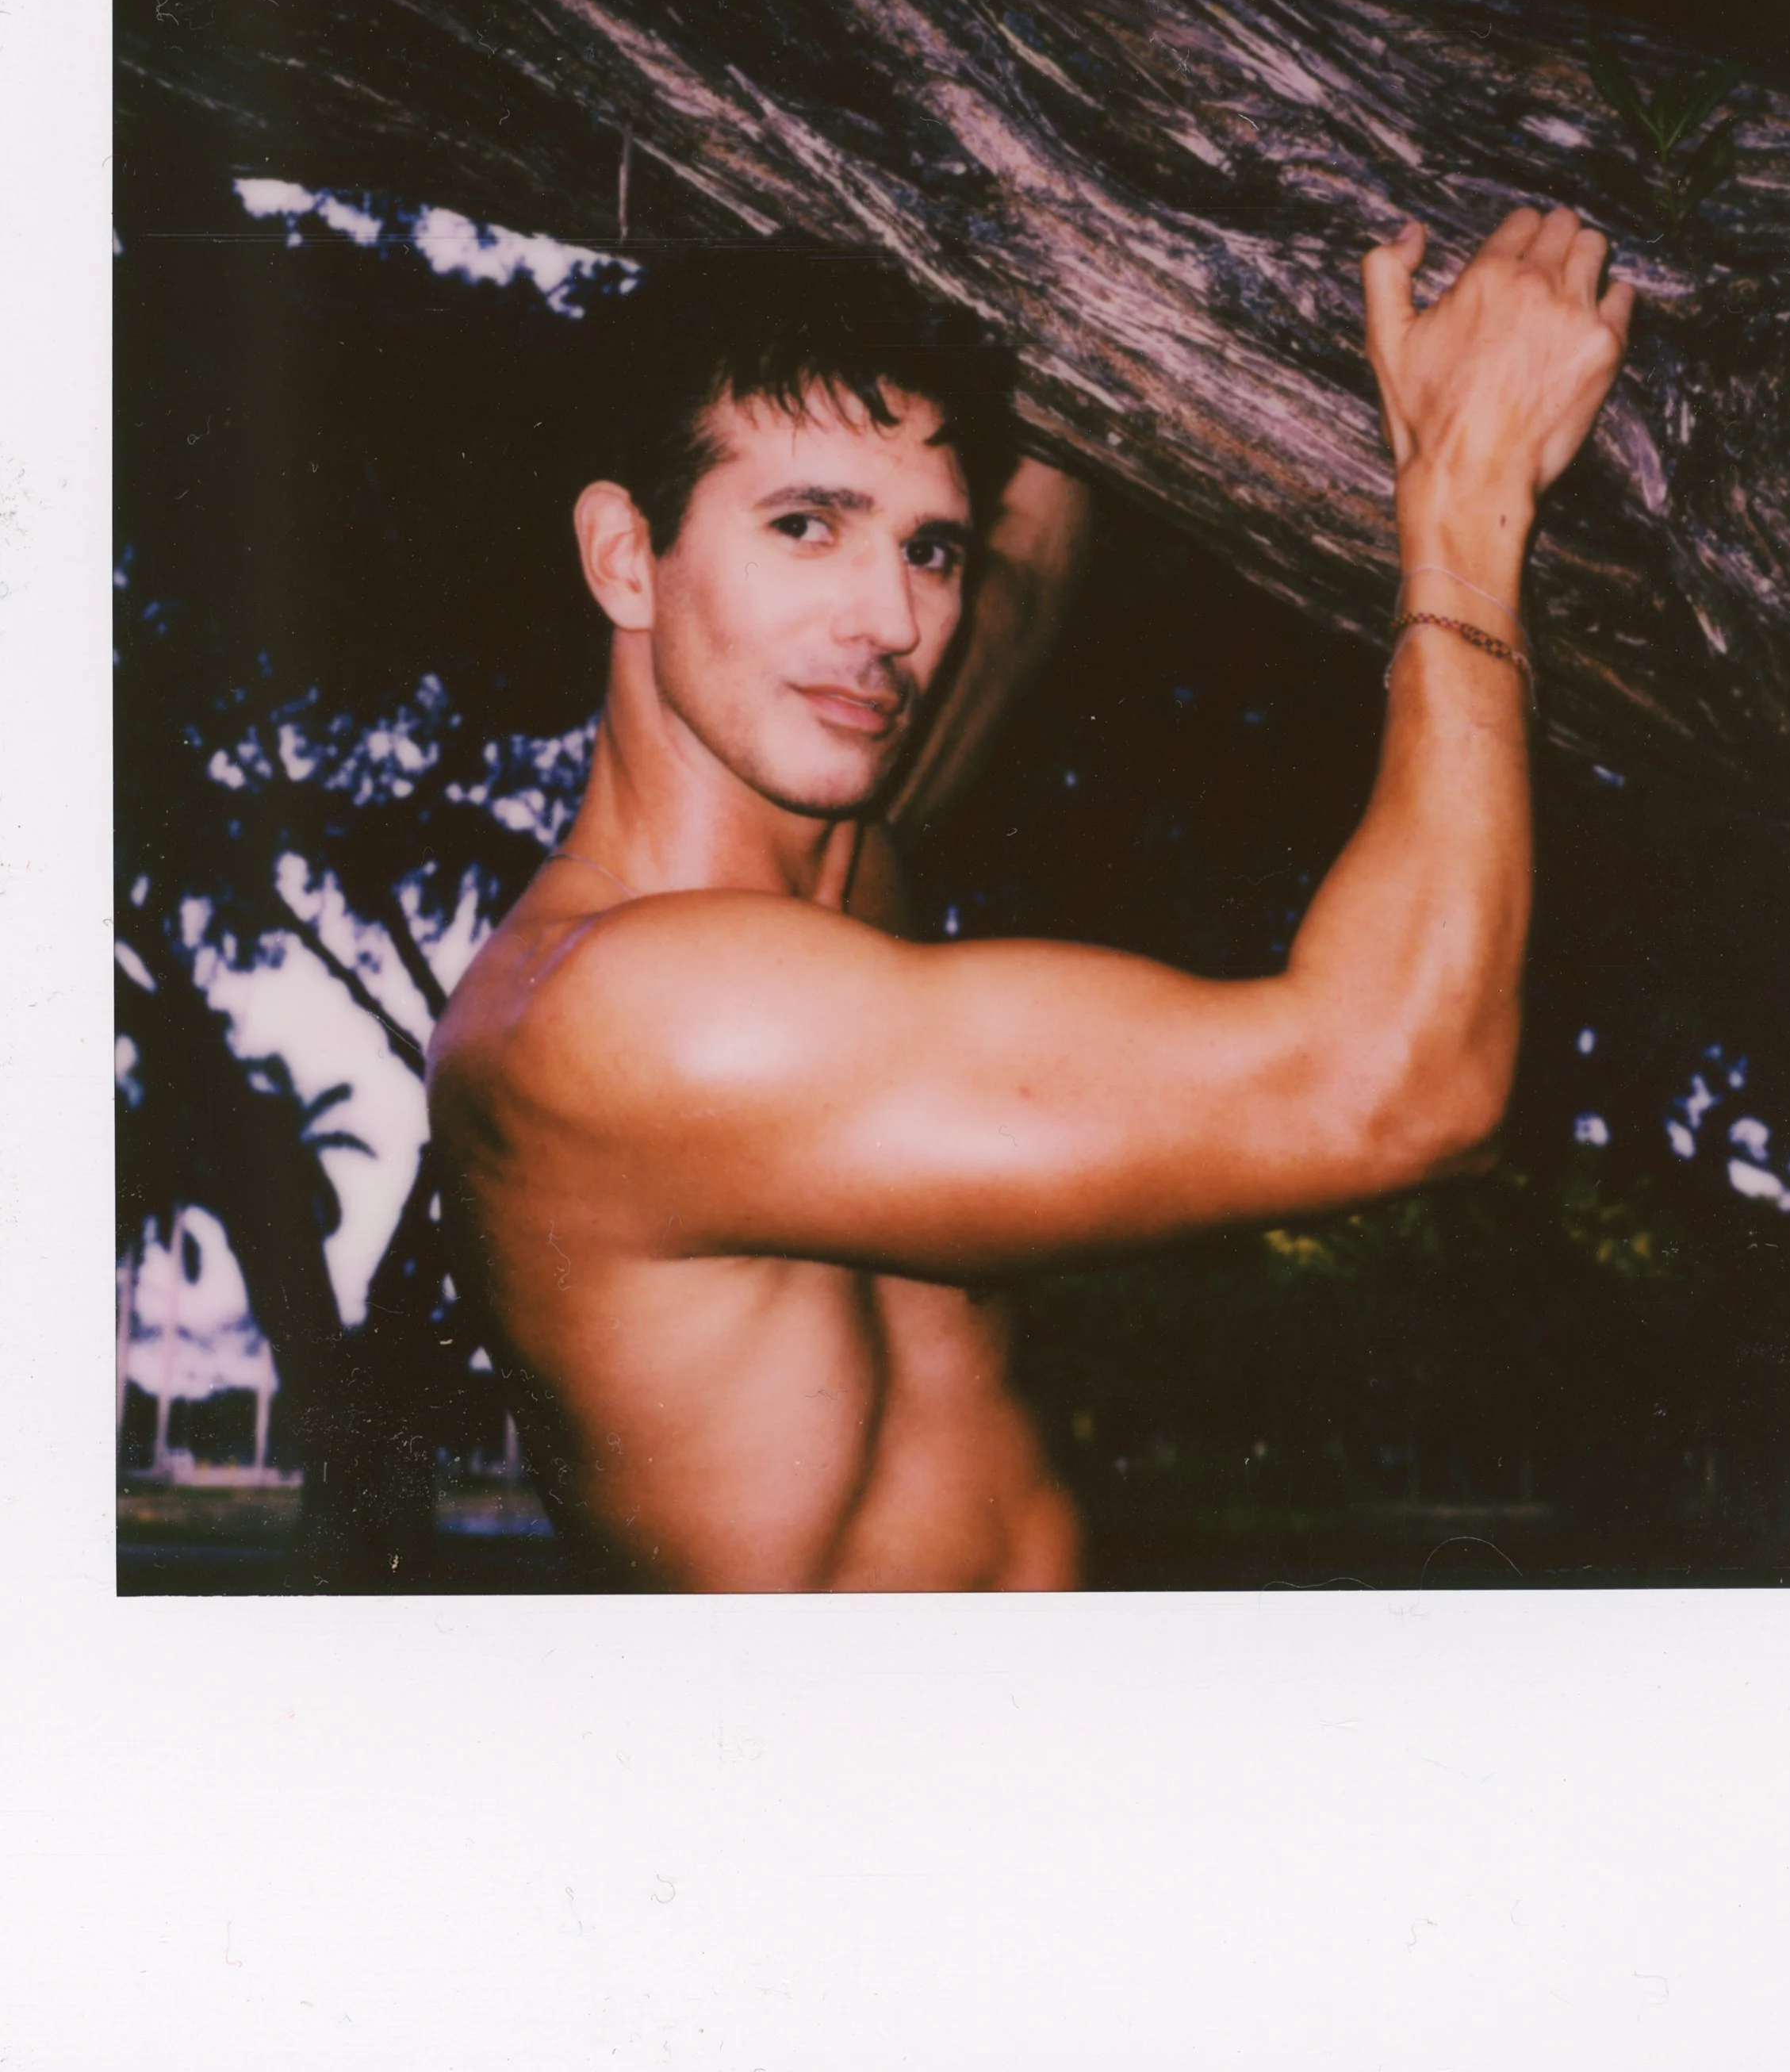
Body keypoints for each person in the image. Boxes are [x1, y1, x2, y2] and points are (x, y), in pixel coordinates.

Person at [428, 207, 1634, 1590]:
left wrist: (1095, 220)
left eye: (928, 549)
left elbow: (1030, 572)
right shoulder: (627, 1017)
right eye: (805, 526)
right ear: (626, 558)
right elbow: (1405, 1089)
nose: (888, 621)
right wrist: (1468, 488)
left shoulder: (845, 848)